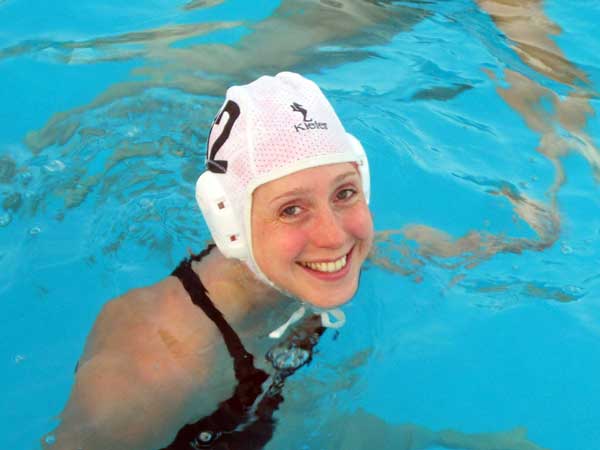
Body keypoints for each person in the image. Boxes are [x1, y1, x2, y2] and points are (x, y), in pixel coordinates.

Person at [42, 72, 548, 450]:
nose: (335, 236)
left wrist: (523, 238)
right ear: (230, 223)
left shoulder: (292, 267)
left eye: (345, 193)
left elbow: (404, 248)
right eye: (291, 208)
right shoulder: (156, 367)